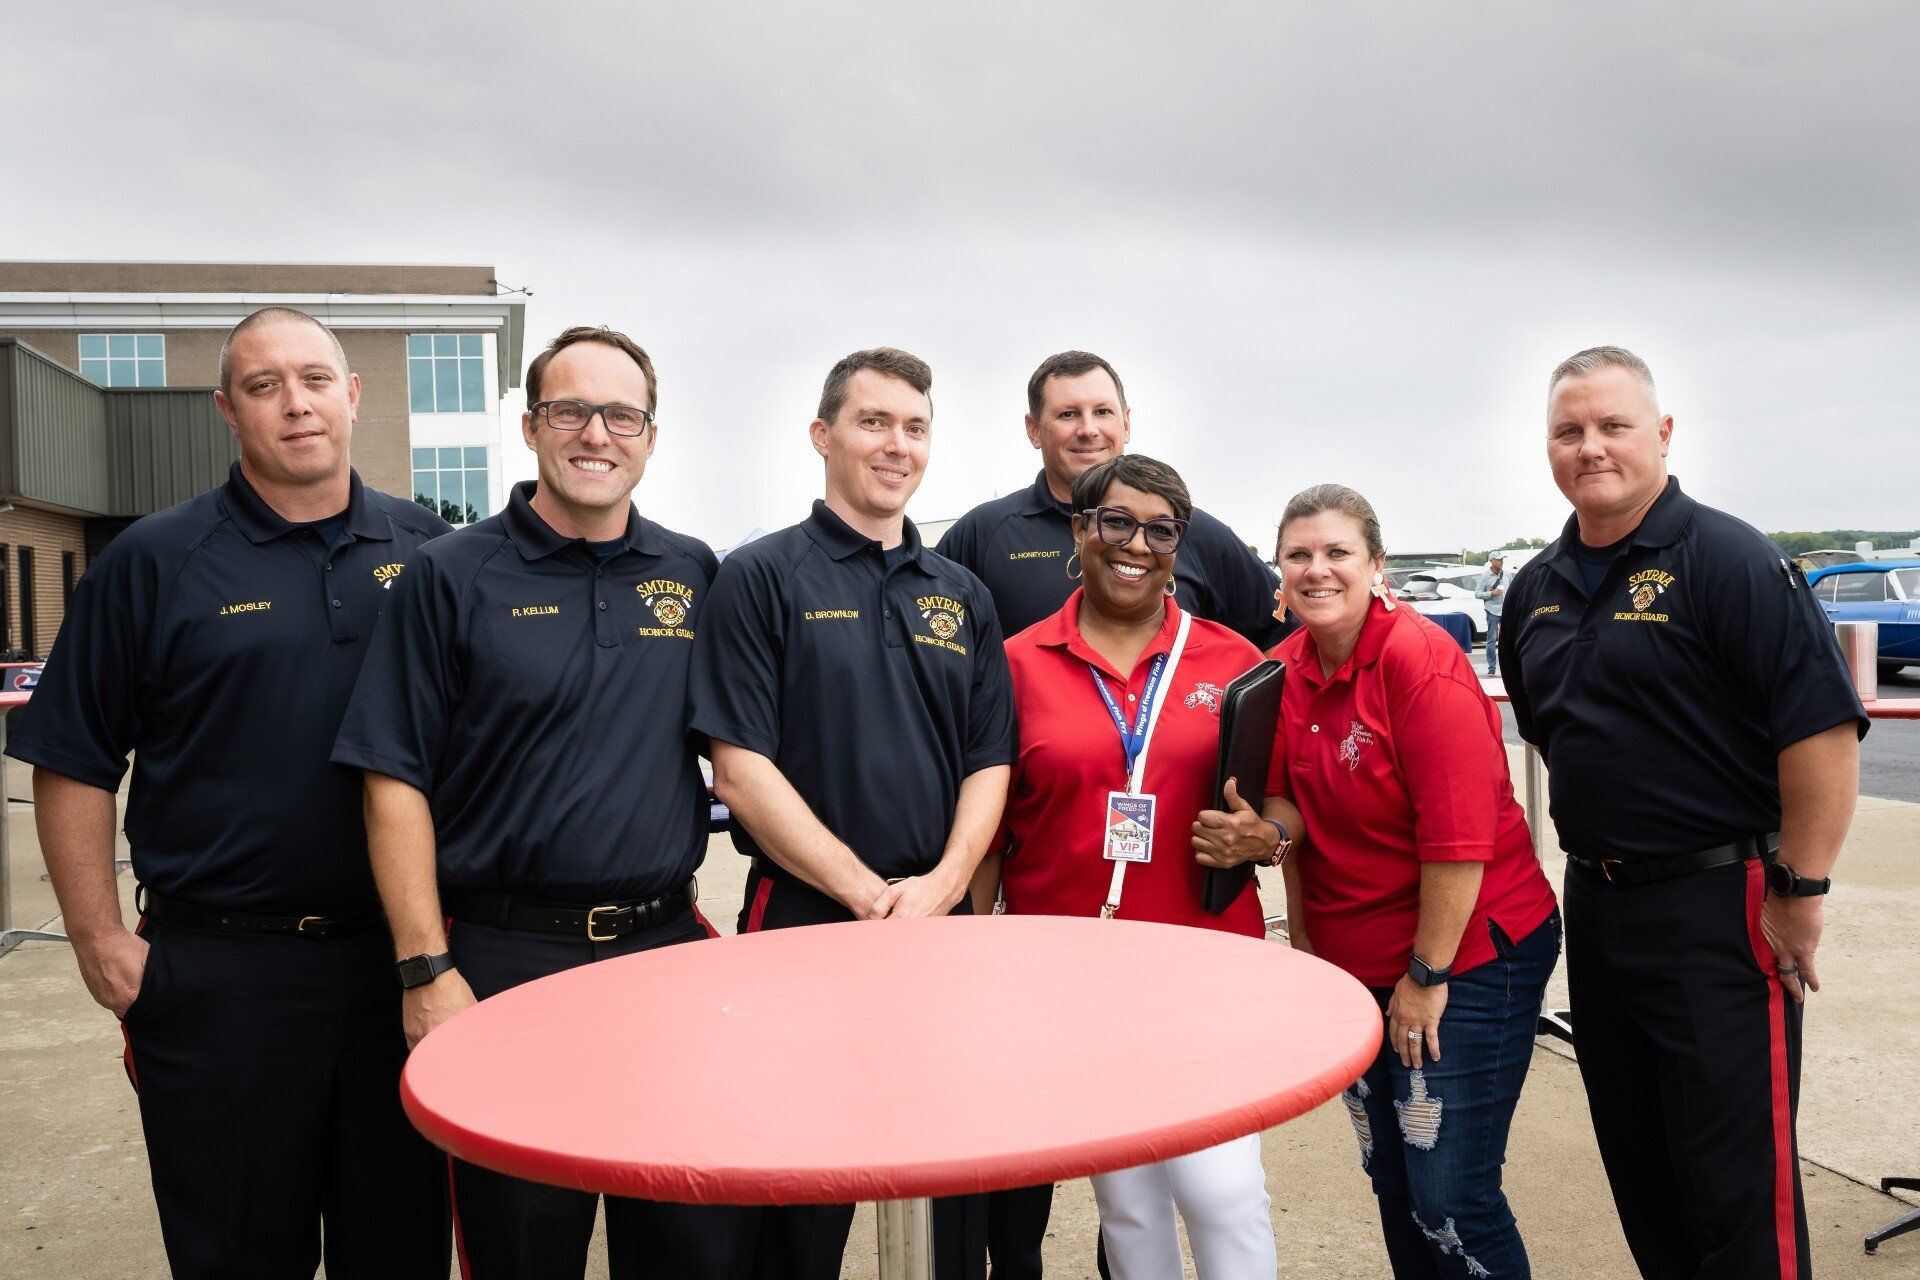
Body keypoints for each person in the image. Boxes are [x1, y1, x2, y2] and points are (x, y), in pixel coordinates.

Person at [4, 307, 451, 1278]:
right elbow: (74, 758)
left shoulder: (428, 552)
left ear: (353, 394)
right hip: (220, 980)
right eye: (263, 385)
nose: (296, 403)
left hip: (397, 971)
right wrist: (101, 945)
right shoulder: (153, 562)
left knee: (401, 1251)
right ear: (226, 409)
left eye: (315, 379)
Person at [332, 325, 749, 1279]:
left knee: (690, 1241)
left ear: (651, 435)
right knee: (523, 1248)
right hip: (504, 964)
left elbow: (742, 756)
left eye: (621, 414)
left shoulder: (691, 572)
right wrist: (425, 971)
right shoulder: (451, 574)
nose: (595, 433)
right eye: (570, 410)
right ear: (530, 427)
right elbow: (391, 777)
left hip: (663, 956)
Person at [1499, 347, 1864, 1279]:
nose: (1591, 448)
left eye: (1613, 426)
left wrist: (1800, 889)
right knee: (1644, 1168)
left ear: (1661, 434)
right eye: (1569, 430)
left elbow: (1820, 733)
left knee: (1737, 1191)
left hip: (1724, 906)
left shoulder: (1729, 559)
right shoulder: (1536, 589)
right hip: (1603, 905)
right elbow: (1554, 731)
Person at [934, 350, 1285, 1274]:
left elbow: (1285, 790)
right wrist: (972, 949)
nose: (1136, 545)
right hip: (1065, 966)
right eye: (1115, 523)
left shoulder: (1231, 658)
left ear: (1182, 544)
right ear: (1078, 531)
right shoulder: (1012, 663)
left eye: (1159, 531)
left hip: (1204, 957)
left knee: (1221, 1188)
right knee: (1127, 1201)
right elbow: (989, 824)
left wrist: (1269, 835)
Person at [690, 347, 1015, 1280]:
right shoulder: (759, 577)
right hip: (803, 918)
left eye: (915, 427)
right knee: (800, 1196)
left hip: (937, 924)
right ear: (822, 436)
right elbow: (739, 769)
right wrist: (870, 896)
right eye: (874, 422)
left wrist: (946, 887)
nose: (896, 445)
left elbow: (988, 760)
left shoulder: (961, 593)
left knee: (948, 1184)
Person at [1263, 483, 1560, 1278]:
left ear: (1377, 566)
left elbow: (1459, 842)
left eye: (1338, 554)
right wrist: (1302, 937)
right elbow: (1289, 804)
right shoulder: (1282, 670)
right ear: (1278, 570)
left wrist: (1425, 977)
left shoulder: (1417, 661)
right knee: (1392, 1179)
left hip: (1465, 956)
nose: (1317, 570)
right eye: (1300, 555)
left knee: (1451, 1195)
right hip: (1357, 963)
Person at [937, 350, 1286, 647]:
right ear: (1033, 429)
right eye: (1068, 414)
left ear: (1126, 423)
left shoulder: (1192, 531)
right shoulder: (983, 534)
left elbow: (1286, 636)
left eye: (1102, 412)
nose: (1088, 429)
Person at [1474, 553, 1507, 676]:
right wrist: (1491, 593)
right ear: (1492, 561)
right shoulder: (1485, 576)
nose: (1501, 561)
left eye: (1502, 559)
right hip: (1492, 610)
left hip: (1506, 610)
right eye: (1498, 560)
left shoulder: (1507, 574)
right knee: (1491, 639)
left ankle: (1508, 667)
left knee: (1508, 639)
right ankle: (1492, 667)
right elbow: (1477, 594)